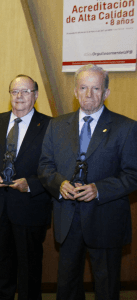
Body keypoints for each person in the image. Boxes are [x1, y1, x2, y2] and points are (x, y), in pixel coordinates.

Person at [38, 64, 137, 300]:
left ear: (106, 93)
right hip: (68, 218)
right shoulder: (56, 125)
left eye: (95, 88)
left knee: (106, 287)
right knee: (67, 287)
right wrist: (59, 184)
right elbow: (44, 166)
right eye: (83, 88)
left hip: (105, 220)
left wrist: (98, 189)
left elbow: (133, 174)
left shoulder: (126, 127)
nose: (89, 94)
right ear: (75, 91)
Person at [0, 75, 52, 300]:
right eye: (14, 91)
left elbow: (57, 166)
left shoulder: (50, 125)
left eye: (25, 91)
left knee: (30, 264)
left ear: (36, 96)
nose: (19, 96)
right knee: (2, 261)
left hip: (31, 206)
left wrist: (32, 184)